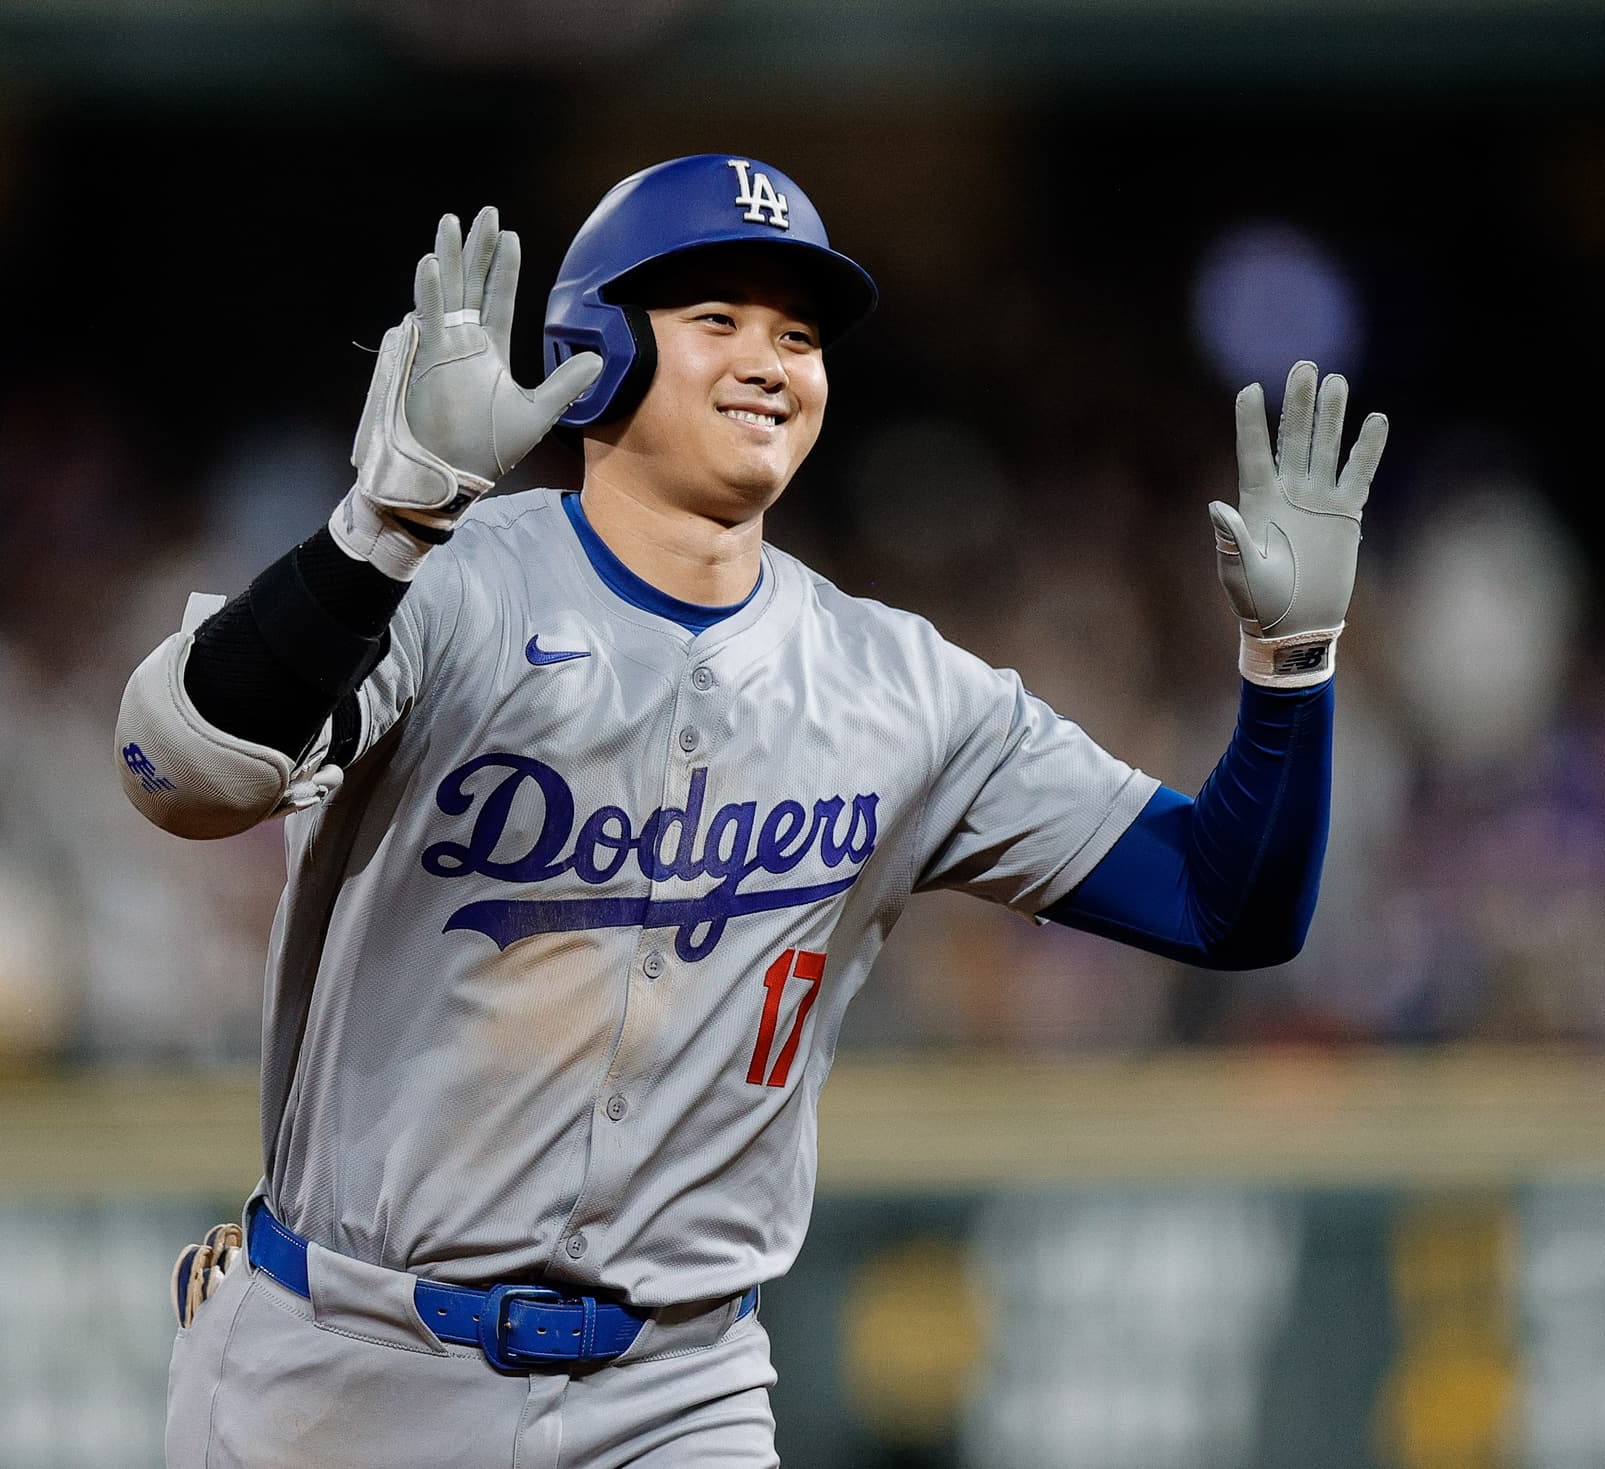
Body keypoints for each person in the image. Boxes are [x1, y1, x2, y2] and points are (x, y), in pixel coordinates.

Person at [118, 154, 1386, 1468]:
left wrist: (1291, 665)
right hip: (354, 1365)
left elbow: (1223, 900)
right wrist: (382, 523)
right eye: (715, 318)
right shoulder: (445, 589)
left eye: (798, 333)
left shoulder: (902, 687)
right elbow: (179, 767)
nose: (770, 360)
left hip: (678, 1389)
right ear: (598, 347)